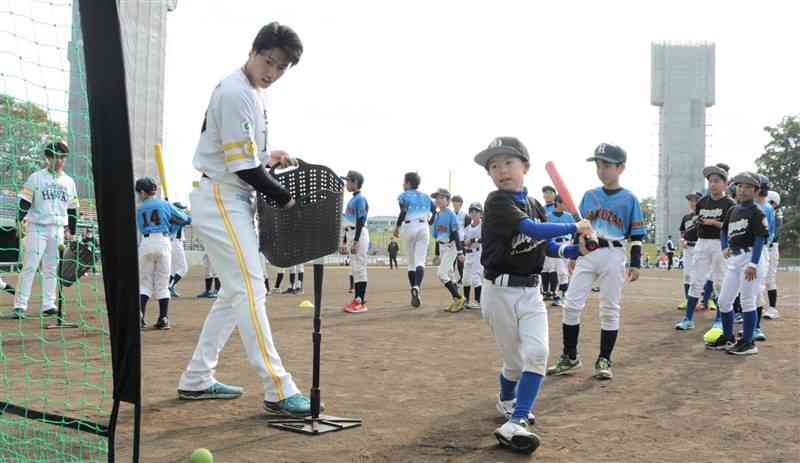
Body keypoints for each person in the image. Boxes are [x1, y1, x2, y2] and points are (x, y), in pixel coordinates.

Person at [177, 22, 317, 417]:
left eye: (281, 67)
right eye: (268, 61)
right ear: (253, 52)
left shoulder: (253, 92)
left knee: (236, 290)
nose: (272, 71)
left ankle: (196, 377)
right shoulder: (237, 91)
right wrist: (285, 197)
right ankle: (277, 386)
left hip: (229, 195)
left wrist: (269, 161)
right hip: (222, 196)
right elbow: (242, 168)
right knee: (252, 287)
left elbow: (247, 158)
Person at [473, 136, 593, 454]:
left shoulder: (535, 204)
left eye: (508, 163)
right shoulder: (496, 202)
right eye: (494, 166)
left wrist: (575, 249)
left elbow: (546, 245)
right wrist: (573, 226)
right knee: (514, 363)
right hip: (499, 292)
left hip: (531, 292)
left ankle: (517, 420)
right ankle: (507, 401)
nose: (501, 170)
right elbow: (534, 231)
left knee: (537, 354)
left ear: (525, 167)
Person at [547, 143, 644, 380]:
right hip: (587, 254)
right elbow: (579, 227)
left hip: (614, 253)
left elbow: (637, 235)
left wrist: (636, 262)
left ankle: (604, 359)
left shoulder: (629, 198)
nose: (602, 170)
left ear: (621, 168)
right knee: (571, 305)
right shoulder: (589, 196)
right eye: (599, 165)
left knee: (610, 308)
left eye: (607, 165)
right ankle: (570, 356)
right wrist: (573, 252)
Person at [13, 141, 78, 319]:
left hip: (57, 230)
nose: (59, 161)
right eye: (56, 157)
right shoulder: (36, 177)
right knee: (30, 266)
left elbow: (72, 208)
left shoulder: (69, 181)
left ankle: (48, 305)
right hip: (37, 228)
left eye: (62, 157)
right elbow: (25, 201)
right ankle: (20, 305)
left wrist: (72, 230)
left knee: (52, 268)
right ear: (48, 158)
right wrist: (19, 220)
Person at [705, 173, 768, 355]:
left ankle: (748, 343)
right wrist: (724, 246)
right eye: (740, 186)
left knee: (748, 301)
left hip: (751, 259)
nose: (742, 189)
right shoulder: (734, 210)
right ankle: (727, 337)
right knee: (724, 301)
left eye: (748, 187)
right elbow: (724, 230)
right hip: (734, 260)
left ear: (756, 191)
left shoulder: (757, 212)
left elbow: (759, 240)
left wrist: (753, 265)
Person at [676, 166, 735, 330]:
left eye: (717, 181)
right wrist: (689, 233)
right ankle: (687, 318)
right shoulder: (702, 202)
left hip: (720, 244)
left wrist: (714, 223)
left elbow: (731, 227)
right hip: (702, 242)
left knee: (719, 282)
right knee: (696, 280)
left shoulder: (730, 204)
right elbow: (697, 222)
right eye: (710, 181)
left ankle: (719, 320)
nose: (712, 184)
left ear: (725, 184)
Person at [135, 177, 189, 330]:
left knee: (145, 283)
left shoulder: (139, 208)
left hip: (146, 242)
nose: (139, 195)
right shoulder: (165, 204)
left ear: (144, 192)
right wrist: (171, 212)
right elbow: (184, 219)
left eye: (140, 192)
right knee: (162, 283)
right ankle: (163, 318)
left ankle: (140, 317)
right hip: (164, 242)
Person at [393, 172, 436, 308]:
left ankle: (414, 288)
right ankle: (417, 286)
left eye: (404, 182)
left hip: (409, 226)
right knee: (420, 261)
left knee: (411, 263)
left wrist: (397, 227)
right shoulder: (426, 197)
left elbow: (403, 211)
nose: (402, 184)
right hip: (423, 226)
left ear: (408, 183)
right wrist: (429, 223)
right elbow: (435, 211)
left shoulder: (403, 196)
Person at [431, 188, 466, 313]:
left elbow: (455, 234)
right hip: (442, 247)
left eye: (441, 198)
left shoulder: (450, 214)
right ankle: (457, 302)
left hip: (451, 247)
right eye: (437, 198)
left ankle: (459, 297)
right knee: (451, 275)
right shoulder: (437, 215)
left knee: (441, 274)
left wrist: (460, 252)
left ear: (447, 200)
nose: (438, 200)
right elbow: (437, 236)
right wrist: (436, 254)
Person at [340, 170, 370, 313]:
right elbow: (347, 223)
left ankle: (360, 301)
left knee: (360, 268)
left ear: (355, 182)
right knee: (356, 269)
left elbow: (361, 219)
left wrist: (356, 240)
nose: (347, 184)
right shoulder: (352, 199)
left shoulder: (360, 199)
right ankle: (357, 299)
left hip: (359, 234)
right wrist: (345, 242)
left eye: (348, 181)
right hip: (351, 233)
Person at [546, 195, 575, 307]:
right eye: (563, 202)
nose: (565, 205)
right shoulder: (548, 216)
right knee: (558, 271)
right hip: (554, 245)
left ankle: (562, 295)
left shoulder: (569, 216)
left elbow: (574, 232)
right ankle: (558, 296)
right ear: (557, 203)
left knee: (565, 272)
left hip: (566, 243)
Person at [677, 192, 701, 311]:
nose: (692, 203)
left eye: (695, 200)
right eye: (690, 200)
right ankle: (688, 300)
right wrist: (682, 240)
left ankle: (706, 300)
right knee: (687, 274)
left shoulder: (702, 216)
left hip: (700, 248)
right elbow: (682, 232)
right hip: (688, 249)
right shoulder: (686, 218)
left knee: (702, 275)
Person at [462, 202, 483, 310]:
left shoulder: (483, 225)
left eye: (476, 211)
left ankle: (478, 301)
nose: (474, 214)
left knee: (476, 277)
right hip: (468, 254)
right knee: (465, 278)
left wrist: (473, 240)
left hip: (478, 253)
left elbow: (486, 238)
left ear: (480, 213)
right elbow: (462, 241)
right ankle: (465, 300)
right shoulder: (467, 228)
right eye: (472, 211)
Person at [168, 202, 191, 297]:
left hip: (171, 243)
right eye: (180, 209)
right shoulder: (177, 218)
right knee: (183, 268)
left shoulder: (171, 217)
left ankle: (168, 289)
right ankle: (171, 286)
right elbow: (188, 220)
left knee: (173, 270)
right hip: (175, 243)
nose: (182, 210)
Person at [764, 190, 781, 320]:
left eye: (770, 202)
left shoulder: (777, 216)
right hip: (762, 248)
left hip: (771, 248)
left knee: (770, 279)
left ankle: (772, 308)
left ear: (775, 204)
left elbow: (772, 234)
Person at [540, 186, 557, 300]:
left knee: (553, 268)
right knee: (544, 268)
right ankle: (546, 291)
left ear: (554, 194)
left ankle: (554, 291)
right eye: (545, 193)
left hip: (555, 240)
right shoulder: (541, 208)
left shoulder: (558, 208)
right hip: (542, 240)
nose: (546, 195)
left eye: (549, 192)